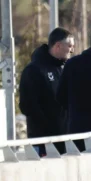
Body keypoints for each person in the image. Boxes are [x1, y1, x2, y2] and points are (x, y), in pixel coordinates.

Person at [19, 27, 75, 156]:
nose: (72, 50)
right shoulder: (34, 70)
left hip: (66, 139)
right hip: (43, 141)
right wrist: (48, 127)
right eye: (70, 46)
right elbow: (27, 106)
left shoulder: (66, 68)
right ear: (58, 46)